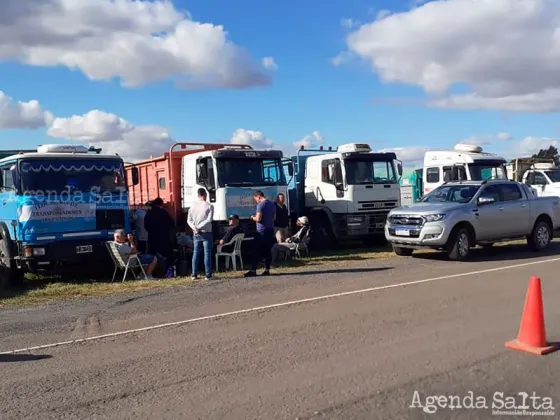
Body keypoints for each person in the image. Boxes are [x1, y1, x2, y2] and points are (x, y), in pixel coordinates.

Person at [244, 190, 276, 277]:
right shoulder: (271, 204)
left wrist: (252, 217)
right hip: (270, 229)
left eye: (256, 199)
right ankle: (267, 269)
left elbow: (258, 219)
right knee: (267, 250)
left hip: (261, 231)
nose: (256, 201)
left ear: (258, 197)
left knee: (256, 250)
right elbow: (274, 217)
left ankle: (253, 270)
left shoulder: (260, 205)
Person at [187, 188, 214, 280]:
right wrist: (199, 227)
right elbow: (209, 220)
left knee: (196, 253)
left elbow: (189, 220)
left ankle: (194, 274)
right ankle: (208, 274)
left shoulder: (193, 206)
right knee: (207, 253)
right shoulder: (209, 206)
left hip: (196, 233)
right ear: (205, 194)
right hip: (206, 232)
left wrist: (194, 228)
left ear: (198, 195)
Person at [144, 197, 174, 269]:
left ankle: (152, 272)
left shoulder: (148, 213)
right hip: (163, 239)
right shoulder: (163, 212)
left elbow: (146, 226)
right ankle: (168, 272)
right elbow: (172, 223)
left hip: (152, 239)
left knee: (152, 256)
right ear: (161, 204)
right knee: (168, 255)